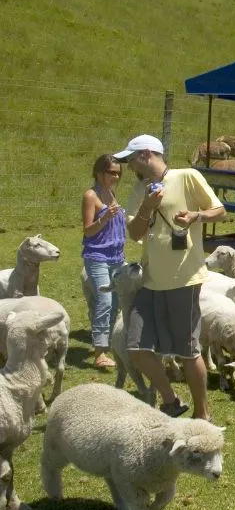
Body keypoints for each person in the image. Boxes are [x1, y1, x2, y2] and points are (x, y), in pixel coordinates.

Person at [116, 134, 226, 420]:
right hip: (150, 281)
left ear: (146, 155)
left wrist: (195, 217)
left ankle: (202, 414)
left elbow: (219, 210)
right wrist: (147, 207)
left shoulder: (187, 176)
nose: (129, 167)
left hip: (183, 280)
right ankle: (171, 400)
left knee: (188, 351)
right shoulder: (139, 190)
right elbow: (136, 233)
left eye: (130, 160)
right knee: (137, 347)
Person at [80, 154, 127, 369]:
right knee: (104, 302)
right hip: (97, 256)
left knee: (115, 302)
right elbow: (88, 231)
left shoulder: (111, 192)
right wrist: (104, 218)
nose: (116, 176)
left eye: (118, 173)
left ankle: (106, 346)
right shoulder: (91, 195)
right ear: (99, 173)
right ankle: (99, 354)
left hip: (117, 257)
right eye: (112, 172)